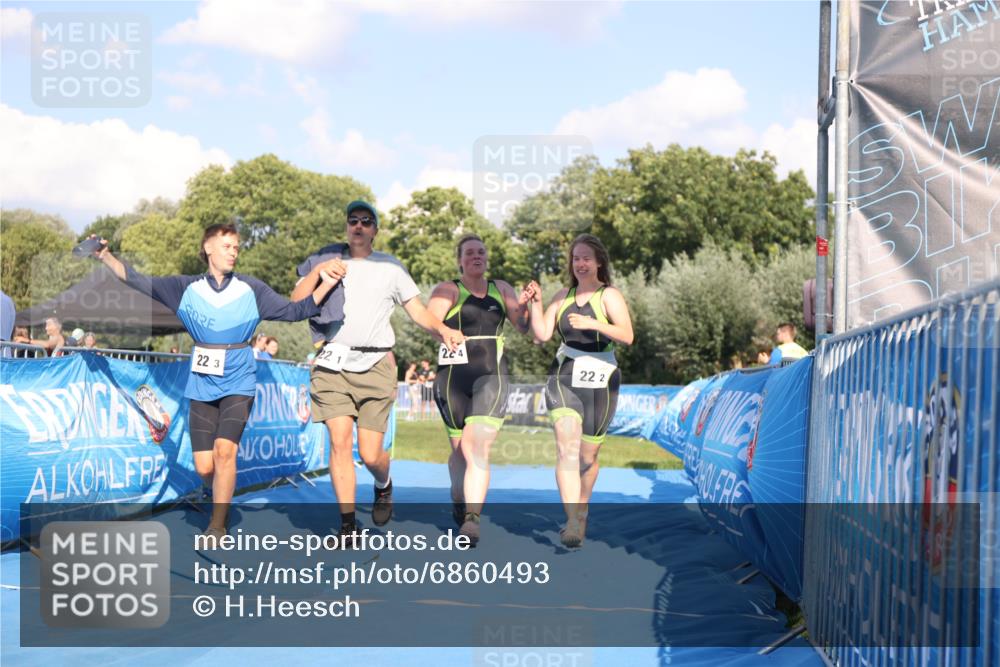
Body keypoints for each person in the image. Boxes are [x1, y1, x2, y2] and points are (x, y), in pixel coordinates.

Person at [91, 223, 343, 541]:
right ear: (208, 248)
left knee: (226, 452)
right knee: (204, 467)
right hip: (202, 382)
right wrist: (105, 256)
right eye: (227, 246)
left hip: (239, 379)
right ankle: (215, 493)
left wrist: (325, 282)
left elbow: (296, 311)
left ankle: (218, 525)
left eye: (237, 247)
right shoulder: (185, 288)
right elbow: (137, 281)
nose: (234, 251)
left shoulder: (251, 289)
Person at [292, 200, 463, 544]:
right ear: (346, 226)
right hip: (332, 365)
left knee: (370, 454)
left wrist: (443, 330)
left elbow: (417, 311)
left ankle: (383, 485)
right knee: (339, 444)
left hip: (374, 366)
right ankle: (347, 526)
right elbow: (297, 301)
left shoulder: (390, 267)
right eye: (352, 220)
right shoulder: (325, 260)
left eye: (366, 222)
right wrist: (318, 272)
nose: (358, 226)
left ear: (375, 230)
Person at [527, 234, 634, 548]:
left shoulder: (609, 296)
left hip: (602, 378)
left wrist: (594, 325)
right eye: (576, 259)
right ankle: (572, 519)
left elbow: (627, 335)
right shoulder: (563, 295)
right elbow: (542, 334)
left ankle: (582, 507)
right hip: (566, 376)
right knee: (566, 448)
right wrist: (535, 304)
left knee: (588, 457)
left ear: (599, 261)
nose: (581, 264)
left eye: (586, 258)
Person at [427, 234, 532, 543]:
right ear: (460, 260)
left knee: (477, 446)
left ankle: (472, 521)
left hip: (490, 375)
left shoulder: (501, 289)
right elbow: (428, 321)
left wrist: (524, 306)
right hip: (452, 379)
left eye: (481, 252)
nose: (477, 256)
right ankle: (459, 501)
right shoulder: (448, 290)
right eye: (470, 253)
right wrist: (445, 330)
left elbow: (522, 327)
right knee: (460, 452)